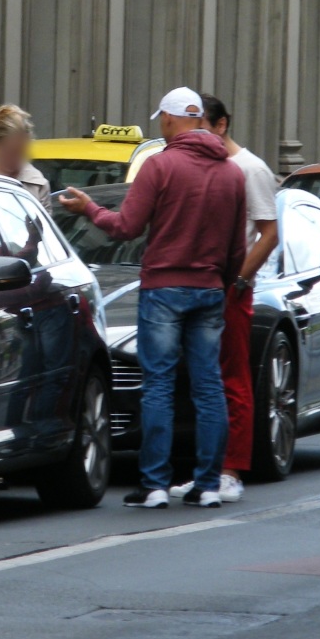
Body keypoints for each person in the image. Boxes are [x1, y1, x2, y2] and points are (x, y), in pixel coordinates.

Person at [60, 87, 246, 509]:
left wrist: (89, 207)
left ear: (168, 119)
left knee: (159, 385)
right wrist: (226, 281)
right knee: (208, 386)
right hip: (210, 290)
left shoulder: (159, 166)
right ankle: (208, 484)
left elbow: (126, 227)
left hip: (163, 289)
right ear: (199, 120)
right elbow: (238, 245)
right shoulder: (231, 173)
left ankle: (156, 484)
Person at [167, 94, 278, 505]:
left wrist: (240, 280)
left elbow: (268, 233)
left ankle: (230, 471)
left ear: (221, 125)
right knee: (204, 379)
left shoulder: (249, 169)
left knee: (231, 379)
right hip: (205, 284)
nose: (192, 136)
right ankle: (207, 470)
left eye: (200, 126)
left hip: (231, 287)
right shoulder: (207, 167)